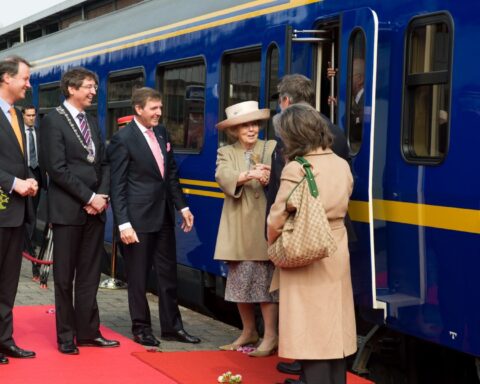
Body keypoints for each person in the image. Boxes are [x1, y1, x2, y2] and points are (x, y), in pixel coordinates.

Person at [266, 74, 350, 383]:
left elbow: (275, 219)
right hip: (336, 250)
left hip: (306, 251)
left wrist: (274, 243)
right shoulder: (340, 164)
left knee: (311, 334)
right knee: (334, 332)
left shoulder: (297, 168)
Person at [108, 87, 200, 346]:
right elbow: (118, 186)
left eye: (160, 108)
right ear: (138, 109)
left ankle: (172, 328)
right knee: (138, 277)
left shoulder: (161, 133)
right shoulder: (123, 139)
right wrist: (123, 223)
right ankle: (141, 328)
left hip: (163, 218)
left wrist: (183, 207)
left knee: (168, 275)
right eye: (154, 108)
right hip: (136, 221)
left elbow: (170, 174)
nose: (159, 113)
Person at [40, 67, 119, 355]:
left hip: (95, 210)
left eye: (94, 86)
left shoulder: (91, 120)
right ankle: (65, 337)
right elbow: (56, 169)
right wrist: (88, 196)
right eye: (88, 86)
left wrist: (102, 195)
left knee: (89, 275)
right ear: (71, 89)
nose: (93, 91)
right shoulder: (52, 121)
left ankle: (88, 332)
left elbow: (105, 163)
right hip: (68, 211)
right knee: (64, 278)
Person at [214, 101, 278, 357]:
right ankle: (248, 331)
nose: (251, 130)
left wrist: (269, 173)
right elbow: (223, 176)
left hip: (265, 223)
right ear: (234, 131)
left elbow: (285, 174)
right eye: (244, 126)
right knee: (240, 282)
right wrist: (251, 174)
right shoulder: (226, 151)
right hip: (238, 225)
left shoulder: (271, 147)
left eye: (254, 124)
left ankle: (271, 336)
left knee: (264, 285)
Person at [0, 55, 38, 364]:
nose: (29, 84)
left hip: (15, 212)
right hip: (2, 206)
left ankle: (4, 340)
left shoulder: (14, 115)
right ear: (6, 78)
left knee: (9, 282)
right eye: (24, 78)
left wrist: (29, 179)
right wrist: (14, 182)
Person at [22, 105, 42, 281]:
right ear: (23, 116)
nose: (31, 118)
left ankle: (27, 245)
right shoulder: (18, 133)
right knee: (27, 217)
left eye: (33, 115)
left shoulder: (39, 133)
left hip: (37, 176)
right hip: (21, 176)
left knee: (33, 214)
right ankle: (29, 250)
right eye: (28, 115)